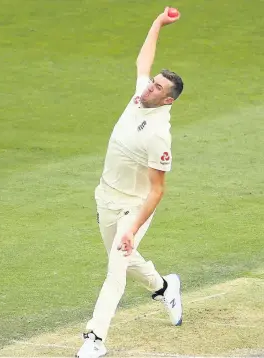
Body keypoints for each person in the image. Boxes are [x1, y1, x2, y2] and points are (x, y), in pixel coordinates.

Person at [77, 7, 184, 358]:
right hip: (105, 197)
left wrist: (133, 227)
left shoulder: (158, 135)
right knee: (123, 258)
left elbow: (158, 190)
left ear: (166, 100)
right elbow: (143, 60)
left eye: (157, 88)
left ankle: (95, 338)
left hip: (133, 207)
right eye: (152, 81)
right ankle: (165, 287)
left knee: (115, 270)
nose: (148, 87)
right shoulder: (141, 95)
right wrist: (158, 23)